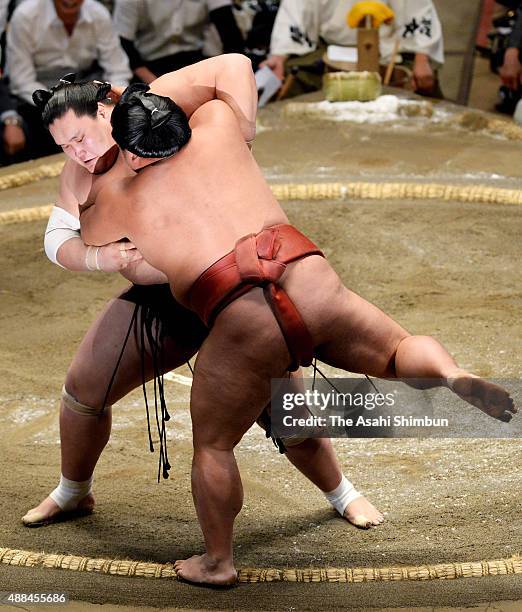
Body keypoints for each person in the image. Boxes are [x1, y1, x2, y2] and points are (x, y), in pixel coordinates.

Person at [77, 57, 516, 585]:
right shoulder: (218, 125)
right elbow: (232, 66)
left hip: (241, 314)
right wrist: (155, 96)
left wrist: (100, 169)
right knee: (397, 349)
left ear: (127, 150)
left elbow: (87, 235)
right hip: (307, 274)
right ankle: (449, 373)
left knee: (215, 444)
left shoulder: (118, 197)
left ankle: (217, 561)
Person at [23, 56, 384, 530]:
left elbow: (234, 66)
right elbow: (56, 239)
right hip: (164, 301)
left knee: (283, 406)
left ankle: (341, 492)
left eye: (81, 137)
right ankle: (73, 492)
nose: (78, 152)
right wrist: (101, 259)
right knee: (83, 388)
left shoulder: (160, 109)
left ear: (105, 112)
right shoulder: (78, 174)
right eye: (64, 146)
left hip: (238, 287)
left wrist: (245, 131)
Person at [6, 0, 131, 159]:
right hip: (40, 94)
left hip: (87, 87)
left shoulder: (98, 13)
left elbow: (118, 69)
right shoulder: (25, 16)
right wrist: (61, 103)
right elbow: (22, 80)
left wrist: (113, 100)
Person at [261, 0, 444, 99]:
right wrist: (279, 56)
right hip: (331, 51)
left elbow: (419, 14)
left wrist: (422, 58)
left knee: (422, 79)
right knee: (291, 75)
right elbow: (294, 13)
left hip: (389, 50)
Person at [113, 0, 245, 84]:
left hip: (195, 60)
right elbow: (124, 44)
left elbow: (230, 34)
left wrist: (229, 76)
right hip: (148, 66)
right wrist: (154, 83)